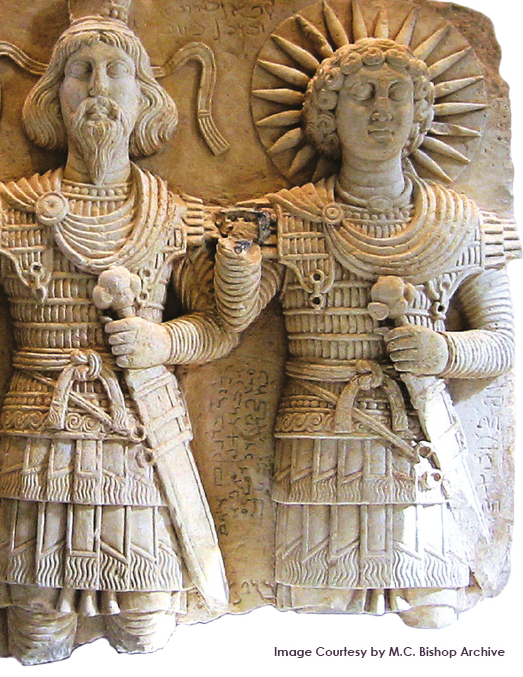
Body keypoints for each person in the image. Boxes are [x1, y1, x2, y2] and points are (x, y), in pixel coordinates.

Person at [0, 0, 235, 663]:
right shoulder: (11, 207)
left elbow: (220, 326)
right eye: (80, 71)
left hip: (141, 433)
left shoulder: (174, 214)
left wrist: (161, 339)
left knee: (145, 628)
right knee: (37, 633)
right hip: (42, 432)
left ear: (144, 95)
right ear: (53, 95)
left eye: (116, 70)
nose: (98, 86)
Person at [215, 37, 518, 628]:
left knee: (433, 610)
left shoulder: (458, 223)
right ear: (328, 114)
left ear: (419, 114)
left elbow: (502, 343)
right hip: (319, 438)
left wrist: (442, 350)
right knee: (313, 604)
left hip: (419, 435)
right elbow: (234, 319)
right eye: (362, 94)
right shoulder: (291, 218)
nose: (382, 109)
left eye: (398, 93)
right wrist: (237, 261)